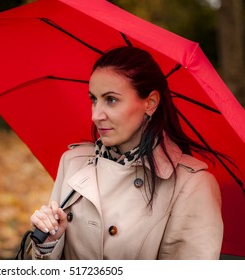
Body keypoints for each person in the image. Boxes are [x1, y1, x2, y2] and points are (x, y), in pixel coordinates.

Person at [29, 46, 223, 260]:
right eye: (94, 99)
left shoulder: (191, 185)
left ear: (150, 103)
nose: (96, 115)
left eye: (111, 99)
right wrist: (47, 245)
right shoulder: (73, 162)